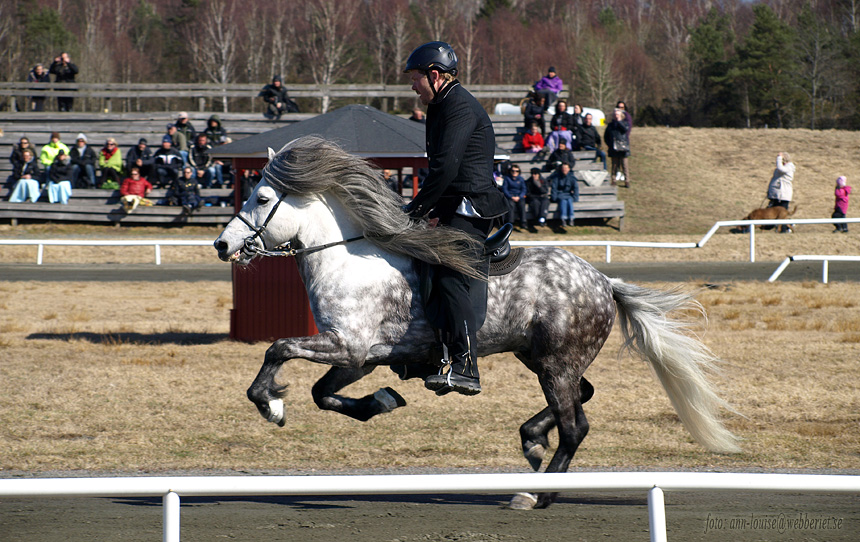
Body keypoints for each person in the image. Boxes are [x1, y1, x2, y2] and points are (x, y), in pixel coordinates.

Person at [402, 41, 509, 396]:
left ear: (434, 75)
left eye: (415, 79)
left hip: (473, 207)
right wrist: (430, 211)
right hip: (452, 204)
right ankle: (429, 353)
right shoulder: (441, 104)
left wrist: (416, 210)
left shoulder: (459, 106)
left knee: (448, 275)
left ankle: (466, 366)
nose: (412, 86)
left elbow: (447, 168)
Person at [766, 152, 795, 233]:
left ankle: (784, 229)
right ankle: (771, 228)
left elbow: (781, 169)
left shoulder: (788, 167)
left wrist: (779, 158)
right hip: (775, 195)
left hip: (783, 196)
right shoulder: (781, 168)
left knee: (782, 214)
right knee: (771, 213)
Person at [605, 108, 631, 187]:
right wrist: (610, 144)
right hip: (614, 148)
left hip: (623, 148)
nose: (616, 116)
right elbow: (606, 136)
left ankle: (627, 181)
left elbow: (625, 130)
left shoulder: (625, 123)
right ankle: (613, 180)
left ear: (620, 115)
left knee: (624, 165)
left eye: (617, 114)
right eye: (615, 114)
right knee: (614, 165)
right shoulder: (610, 125)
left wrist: (619, 121)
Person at [549, 161, 579, 227]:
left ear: (569, 169)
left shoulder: (572, 177)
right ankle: (563, 219)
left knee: (569, 200)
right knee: (563, 201)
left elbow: (575, 188)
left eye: (566, 168)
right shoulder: (557, 177)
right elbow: (554, 188)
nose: (564, 169)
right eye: (563, 168)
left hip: (568, 195)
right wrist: (554, 198)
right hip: (560, 195)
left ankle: (571, 218)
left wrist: (575, 198)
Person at [502, 165, 528, 230]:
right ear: (510, 171)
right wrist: (511, 197)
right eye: (513, 171)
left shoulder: (521, 179)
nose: (514, 172)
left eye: (516, 171)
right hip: (510, 196)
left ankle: (523, 222)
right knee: (511, 205)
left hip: (519, 196)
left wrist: (519, 196)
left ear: (519, 172)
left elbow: (524, 189)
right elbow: (505, 189)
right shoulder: (507, 178)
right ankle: (510, 222)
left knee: (522, 205)